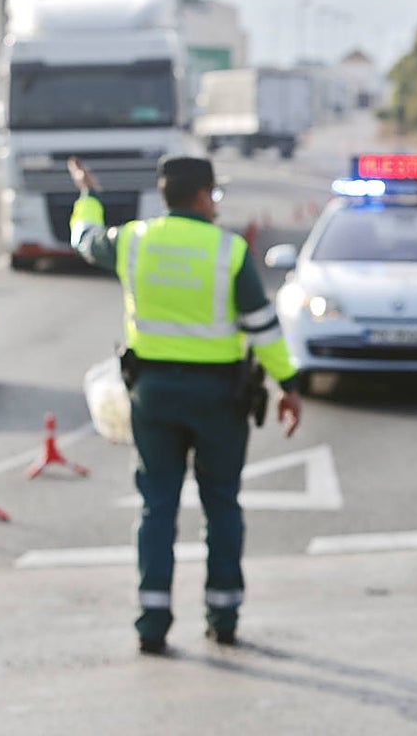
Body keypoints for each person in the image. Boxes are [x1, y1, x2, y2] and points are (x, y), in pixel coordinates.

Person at [68, 153, 303, 654]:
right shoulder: (229, 251)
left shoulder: (133, 240)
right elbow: (262, 329)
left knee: (156, 507)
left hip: (151, 395)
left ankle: (151, 622)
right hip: (220, 399)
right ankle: (223, 615)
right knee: (221, 505)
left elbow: (86, 243)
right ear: (202, 196)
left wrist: (88, 197)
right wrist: (288, 383)